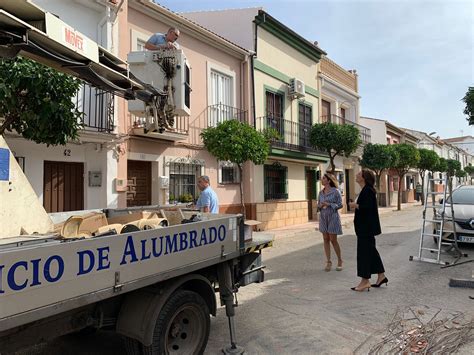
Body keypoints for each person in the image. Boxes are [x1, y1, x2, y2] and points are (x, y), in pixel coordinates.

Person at [349, 170, 387, 292]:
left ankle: (365, 281)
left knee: (364, 254)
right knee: (371, 252)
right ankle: (381, 276)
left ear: (364, 177)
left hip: (366, 228)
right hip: (365, 228)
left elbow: (368, 208)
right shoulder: (365, 190)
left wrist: (356, 205)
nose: (356, 175)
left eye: (359, 174)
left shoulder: (368, 190)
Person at [318, 173, 343, 272]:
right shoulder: (321, 193)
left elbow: (340, 205)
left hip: (333, 216)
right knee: (325, 239)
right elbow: (318, 204)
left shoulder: (336, 191)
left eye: (324, 178)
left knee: (333, 240)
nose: (322, 179)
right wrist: (320, 205)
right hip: (323, 217)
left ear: (329, 181)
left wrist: (329, 204)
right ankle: (328, 262)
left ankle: (340, 261)